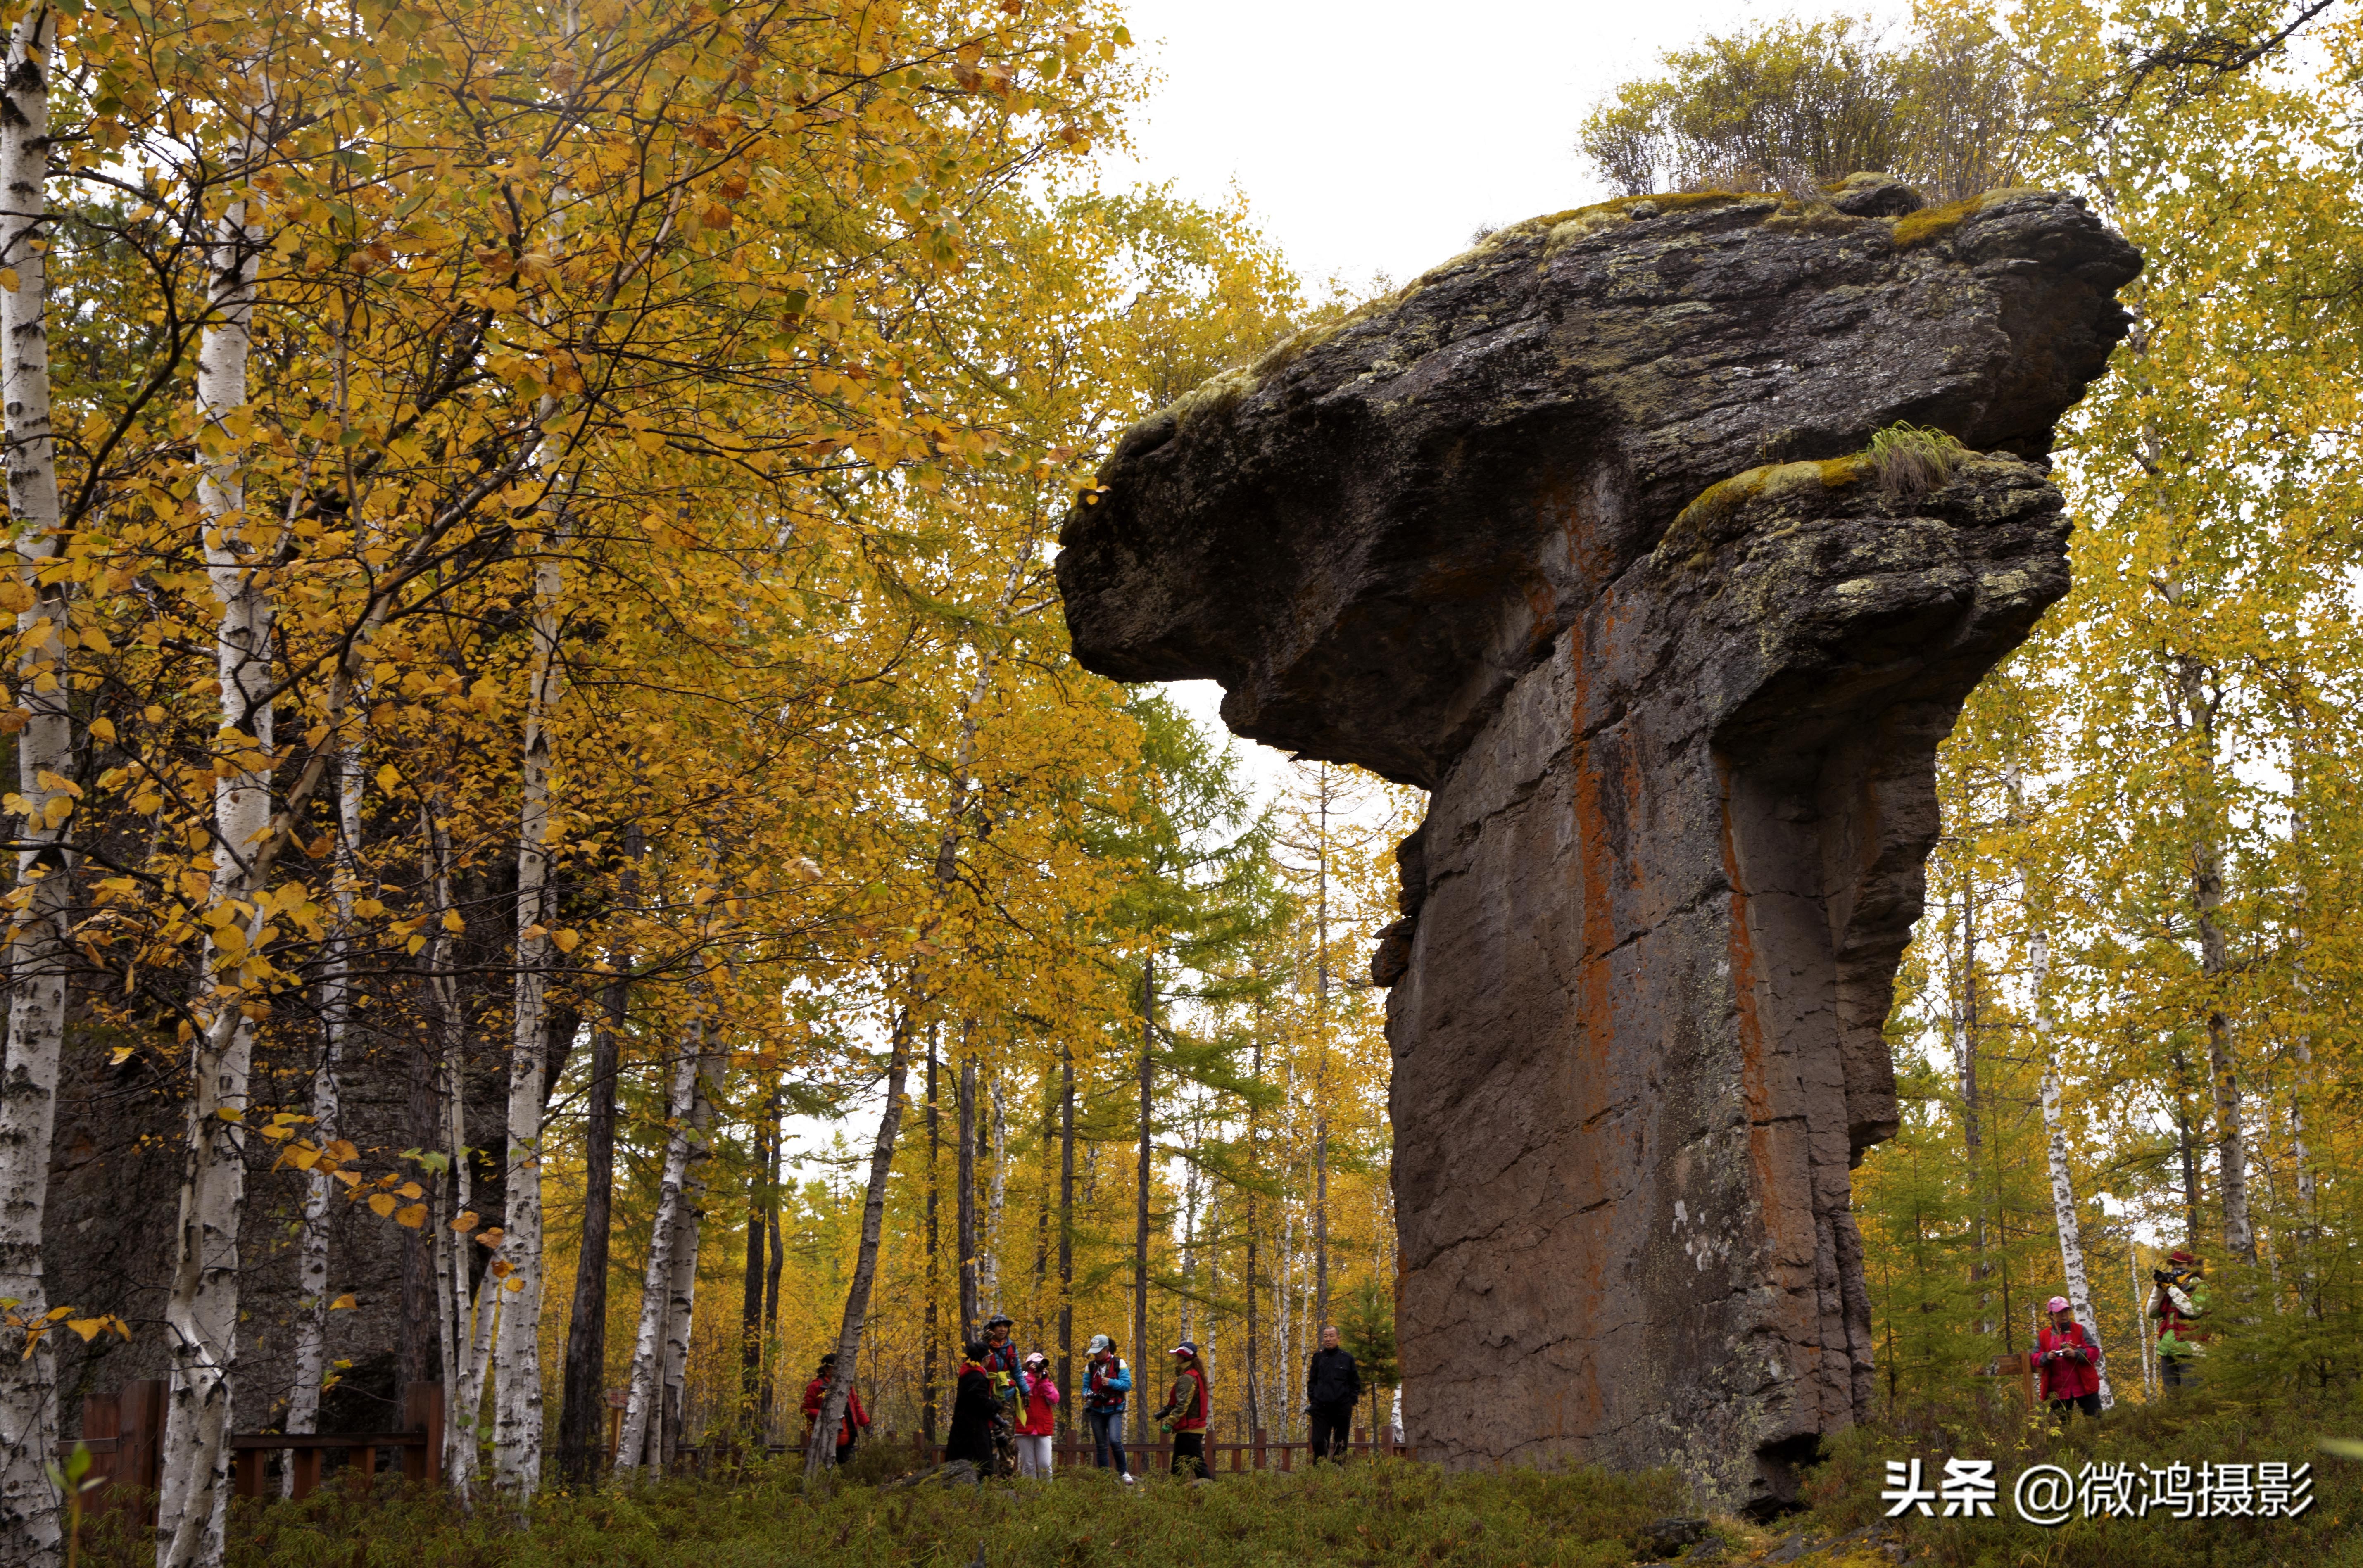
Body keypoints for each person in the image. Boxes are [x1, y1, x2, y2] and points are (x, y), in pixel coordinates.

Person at [2034, 1296, 2103, 1422]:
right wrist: (2047, 1357)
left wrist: (2077, 1354)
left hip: (2085, 1387)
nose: (2064, 1315)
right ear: (2051, 1315)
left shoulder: (2080, 1330)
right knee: (2059, 1428)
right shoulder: (2044, 1335)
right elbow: (2034, 1358)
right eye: (2059, 1312)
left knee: (2097, 1423)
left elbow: (2095, 1352)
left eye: (2066, 1311)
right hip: (2058, 1391)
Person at [2150, 1248, 2208, 1393]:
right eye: (2174, 1264)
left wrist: (2172, 1289)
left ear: (2191, 1266)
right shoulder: (2172, 1288)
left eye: (2180, 1264)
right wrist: (2159, 1288)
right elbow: (2151, 1313)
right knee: (2172, 1398)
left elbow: (2193, 1311)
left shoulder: (2201, 1286)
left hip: (2191, 1350)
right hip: (2167, 1350)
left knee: (2192, 1397)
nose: (2176, 1267)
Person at [1153, 1340, 1212, 1480]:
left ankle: (1210, 1487)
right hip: (1190, 1427)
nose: (1176, 1358)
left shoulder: (1187, 1377)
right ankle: (1176, 1489)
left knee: (1197, 1463)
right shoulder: (1194, 1374)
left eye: (1178, 1355)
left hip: (1190, 1428)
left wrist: (1170, 1423)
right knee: (1178, 1464)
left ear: (1184, 1357)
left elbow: (1183, 1404)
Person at [799, 1353, 871, 1466]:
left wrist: (866, 1424)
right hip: (825, 1442)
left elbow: (857, 1407)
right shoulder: (815, 1387)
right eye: (836, 1368)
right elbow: (806, 1409)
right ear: (826, 1369)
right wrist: (826, 1416)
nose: (840, 1371)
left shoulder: (847, 1386)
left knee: (850, 1473)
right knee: (827, 1474)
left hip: (848, 1443)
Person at [1083, 1333, 1135, 1484]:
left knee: (1115, 1440)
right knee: (1101, 1445)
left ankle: (1124, 1473)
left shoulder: (1119, 1363)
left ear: (1107, 1349)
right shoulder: (1091, 1366)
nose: (1096, 1355)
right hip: (1096, 1411)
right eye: (1094, 1352)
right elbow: (1085, 1388)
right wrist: (1089, 1395)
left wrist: (1111, 1382)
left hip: (1115, 1409)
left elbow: (1127, 1385)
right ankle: (1104, 1477)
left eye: (1099, 1352)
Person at [1306, 1325, 1360, 1463]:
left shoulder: (1347, 1358)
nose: (1328, 1339)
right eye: (1326, 1336)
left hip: (1341, 1408)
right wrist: (1313, 1400)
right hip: (1321, 1408)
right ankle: (1320, 1470)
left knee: (1341, 1442)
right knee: (1318, 1441)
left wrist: (1351, 1401)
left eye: (1331, 1336)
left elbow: (1355, 1382)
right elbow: (1312, 1381)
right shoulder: (1318, 1358)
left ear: (1338, 1338)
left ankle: (1338, 1471)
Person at [945, 1341, 1001, 1468]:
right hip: (974, 1430)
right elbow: (981, 1402)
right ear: (985, 1359)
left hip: (962, 1427)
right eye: (989, 1356)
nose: (990, 1359)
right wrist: (996, 1405)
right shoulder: (977, 1377)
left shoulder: (967, 1373)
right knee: (980, 1465)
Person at [1014, 1351, 1060, 1479]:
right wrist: (1031, 1376)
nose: (1039, 1368)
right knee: (1028, 1465)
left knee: (1045, 1465)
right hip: (1024, 1427)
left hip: (1043, 1427)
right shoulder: (1022, 1380)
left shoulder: (1047, 1383)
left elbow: (1055, 1399)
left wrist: (1044, 1381)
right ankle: (1030, 1491)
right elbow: (1022, 1395)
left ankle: (1047, 1491)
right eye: (1036, 1365)